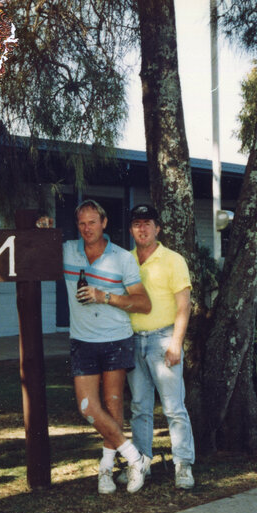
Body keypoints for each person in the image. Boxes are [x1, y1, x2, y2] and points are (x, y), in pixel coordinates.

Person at [63, 199, 152, 494]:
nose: (87, 228)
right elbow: (33, 252)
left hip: (116, 338)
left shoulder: (123, 258)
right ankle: (134, 458)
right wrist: (41, 228)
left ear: (104, 223)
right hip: (82, 340)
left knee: (113, 406)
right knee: (87, 408)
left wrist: (106, 296)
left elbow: (143, 303)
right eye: (81, 223)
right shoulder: (67, 251)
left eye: (92, 222)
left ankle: (105, 470)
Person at [123, 203, 196, 489]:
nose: (142, 228)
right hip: (133, 341)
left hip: (163, 339)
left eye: (147, 223)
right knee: (139, 408)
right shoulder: (126, 260)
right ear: (131, 229)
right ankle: (141, 464)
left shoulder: (173, 260)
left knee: (173, 407)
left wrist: (176, 343)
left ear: (157, 228)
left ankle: (183, 465)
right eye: (137, 223)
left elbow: (184, 305)